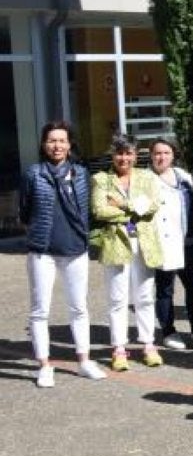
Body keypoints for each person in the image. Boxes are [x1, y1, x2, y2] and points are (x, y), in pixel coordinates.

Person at [21, 121, 106, 386]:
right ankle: (44, 365)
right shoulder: (33, 174)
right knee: (39, 310)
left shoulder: (81, 174)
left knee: (79, 307)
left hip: (75, 249)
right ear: (44, 145)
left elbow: (87, 212)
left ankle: (84, 361)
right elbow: (25, 211)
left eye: (62, 140)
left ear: (69, 145)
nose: (56, 145)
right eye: (51, 140)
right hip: (42, 251)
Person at [91, 134, 166, 371]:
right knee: (117, 299)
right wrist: (135, 210)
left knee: (144, 297)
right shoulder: (101, 179)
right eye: (119, 153)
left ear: (136, 155)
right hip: (115, 243)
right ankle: (119, 348)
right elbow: (99, 211)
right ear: (112, 155)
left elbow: (152, 206)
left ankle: (148, 344)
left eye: (129, 153)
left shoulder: (147, 177)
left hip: (143, 243)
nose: (124, 158)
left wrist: (122, 206)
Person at [149, 137, 193, 349]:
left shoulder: (183, 177)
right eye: (157, 153)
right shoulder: (146, 180)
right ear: (151, 156)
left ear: (173, 155)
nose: (161, 157)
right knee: (165, 289)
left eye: (166, 153)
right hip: (164, 243)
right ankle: (168, 331)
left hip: (186, 241)